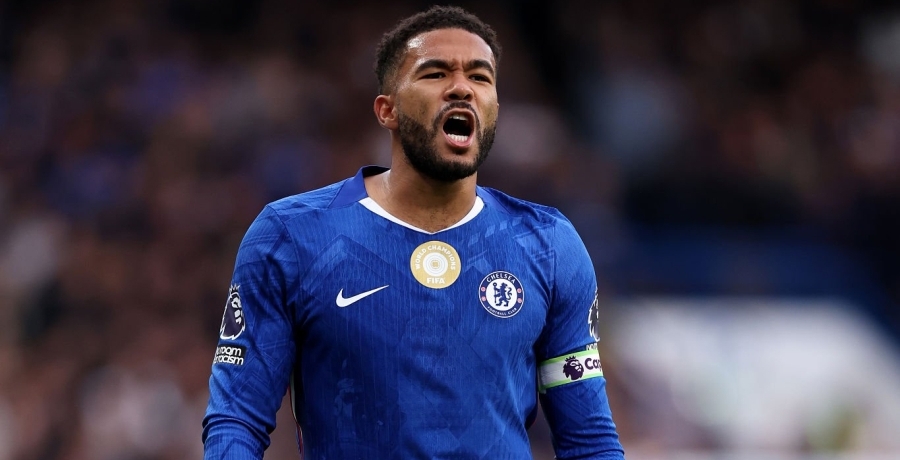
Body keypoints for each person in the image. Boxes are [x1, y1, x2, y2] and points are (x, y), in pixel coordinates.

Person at [202, 5, 625, 459]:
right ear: (388, 110)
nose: (461, 87)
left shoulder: (547, 244)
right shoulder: (292, 235)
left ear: (494, 110)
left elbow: (589, 441)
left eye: (480, 77)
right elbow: (237, 418)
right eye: (435, 73)